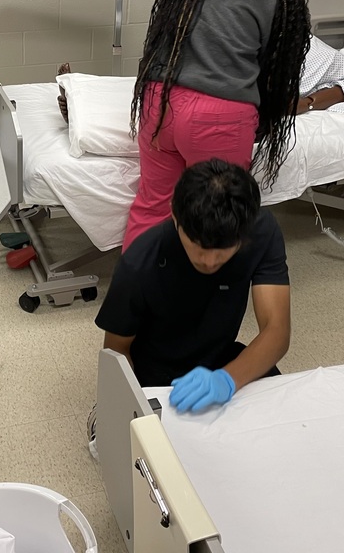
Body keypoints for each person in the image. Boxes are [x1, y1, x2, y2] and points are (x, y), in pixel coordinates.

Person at [124, 0, 312, 251]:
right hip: (219, 114)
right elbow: (275, 70)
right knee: (216, 221)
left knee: (152, 206)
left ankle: (136, 294)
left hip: (158, 100)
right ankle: (200, 304)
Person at [89, 159, 289, 455]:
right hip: (155, 376)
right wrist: (125, 409)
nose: (208, 262)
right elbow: (117, 354)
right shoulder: (140, 263)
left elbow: (277, 330)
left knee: (283, 426)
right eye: (197, 247)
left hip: (221, 361)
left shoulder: (262, 232)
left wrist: (227, 379)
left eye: (222, 254)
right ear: (175, 216)